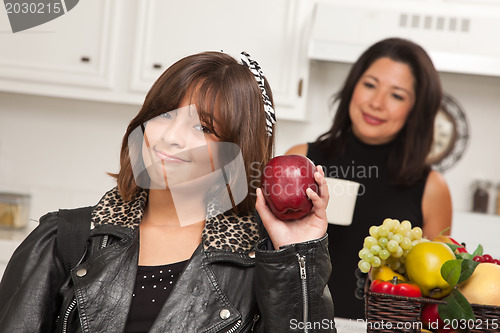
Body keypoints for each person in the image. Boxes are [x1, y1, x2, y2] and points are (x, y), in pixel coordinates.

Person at [0, 51, 336, 332]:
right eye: (164, 114)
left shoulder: (261, 260)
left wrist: (297, 257)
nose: (171, 136)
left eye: (204, 127)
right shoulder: (67, 239)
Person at [286, 38, 452, 320]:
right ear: (353, 86)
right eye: (370, 85)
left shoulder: (432, 188)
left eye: (397, 95)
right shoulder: (301, 160)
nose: (376, 103)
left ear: (415, 111)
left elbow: (437, 290)